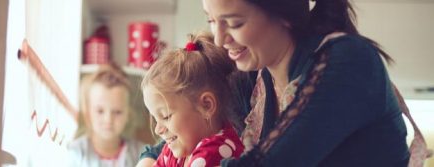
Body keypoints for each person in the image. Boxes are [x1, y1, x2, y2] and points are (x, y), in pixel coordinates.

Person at [138, 0, 432, 166]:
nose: (219, 39)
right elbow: (183, 125)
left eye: (235, 23)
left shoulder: (347, 63)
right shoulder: (251, 77)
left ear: (283, 14)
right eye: (213, 21)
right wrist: (149, 161)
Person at [141, 32, 245, 167]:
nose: (158, 129)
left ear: (206, 106)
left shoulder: (215, 153)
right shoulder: (176, 150)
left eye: (165, 116)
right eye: (156, 119)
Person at [69, 63, 145, 167]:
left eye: (117, 112)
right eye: (100, 111)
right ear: (88, 112)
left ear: (128, 114)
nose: (108, 119)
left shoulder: (142, 154)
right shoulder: (74, 152)